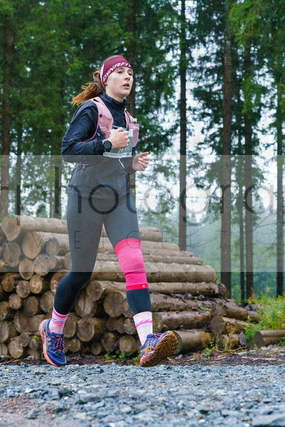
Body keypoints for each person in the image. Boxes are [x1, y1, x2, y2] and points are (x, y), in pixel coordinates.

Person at [39, 55, 179, 368]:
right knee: (81, 272)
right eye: (120, 72)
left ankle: (147, 343)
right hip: (84, 199)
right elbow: (68, 150)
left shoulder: (127, 119)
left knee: (134, 263)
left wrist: (131, 163)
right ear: (106, 79)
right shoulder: (91, 109)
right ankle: (53, 329)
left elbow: (115, 161)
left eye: (131, 72)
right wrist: (105, 143)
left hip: (119, 199)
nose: (128, 77)